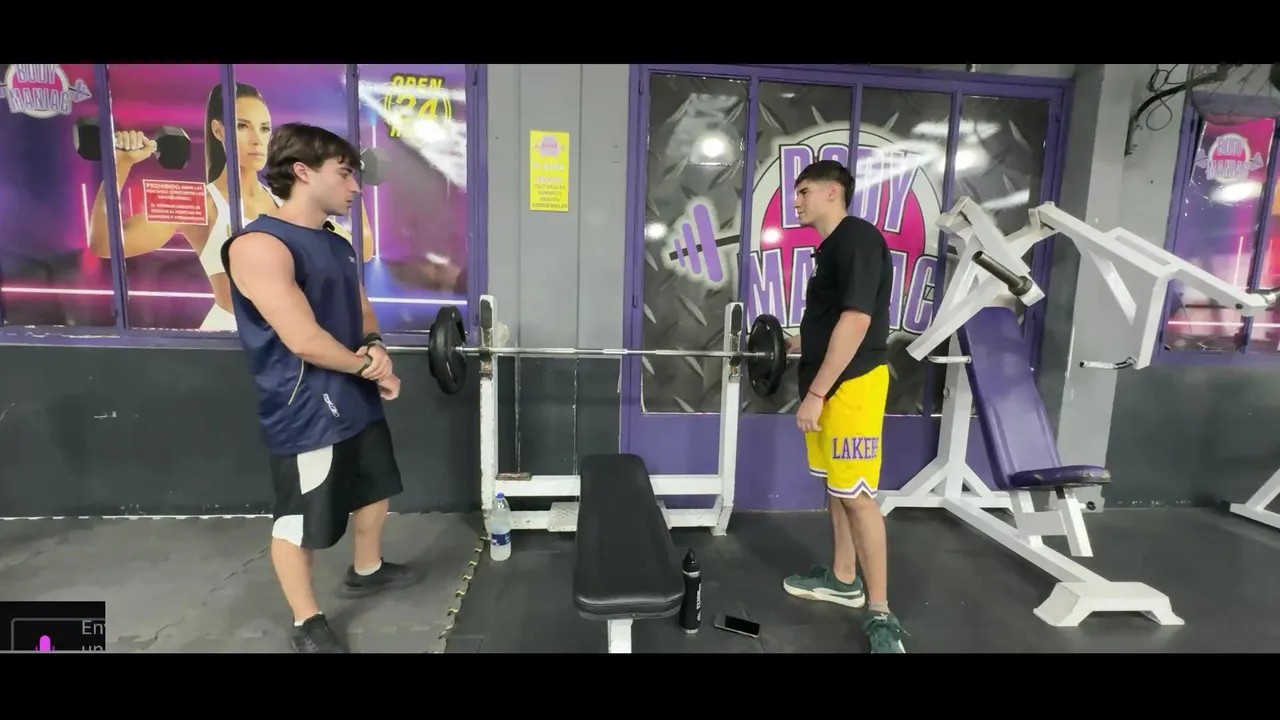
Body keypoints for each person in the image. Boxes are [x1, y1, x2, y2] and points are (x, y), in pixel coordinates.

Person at [222, 122, 420, 653]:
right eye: (345, 173)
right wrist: (370, 369)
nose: (355, 187)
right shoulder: (260, 246)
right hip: (306, 404)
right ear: (303, 172)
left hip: (354, 389)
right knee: (299, 521)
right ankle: (306, 621)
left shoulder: (335, 241)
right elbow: (304, 341)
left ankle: (367, 569)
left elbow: (359, 305)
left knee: (376, 487)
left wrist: (375, 346)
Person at [89, 83, 376, 331]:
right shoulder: (201, 202)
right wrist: (121, 164)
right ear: (218, 130)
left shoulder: (288, 203)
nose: (257, 140)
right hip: (228, 339)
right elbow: (105, 244)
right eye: (242, 126)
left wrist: (348, 174)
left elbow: (361, 249)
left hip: (286, 341)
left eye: (264, 128)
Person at [780, 159, 907, 654]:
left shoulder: (856, 239)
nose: (796, 201)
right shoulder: (831, 247)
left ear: (833, 192)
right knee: (837, 487)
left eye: (804, 191)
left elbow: (856, 322)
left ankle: (882, 612)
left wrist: (816, 395)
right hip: (830, 381)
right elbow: (834, 320)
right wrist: (798, 343)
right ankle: (843, 577)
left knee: (857, 497)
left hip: (850, 386)